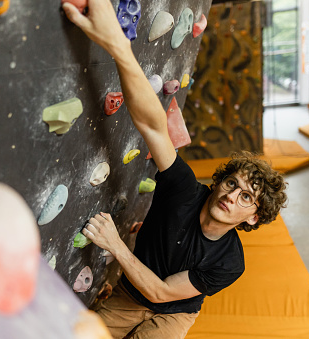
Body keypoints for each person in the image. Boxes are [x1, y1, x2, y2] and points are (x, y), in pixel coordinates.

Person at [62, 1, 288, 338]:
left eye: (246, 198)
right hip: (130, 294)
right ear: (218, 182)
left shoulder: (229, 262)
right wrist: (119, 46)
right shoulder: (183, 189)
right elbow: (153, 126)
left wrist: (115, 244)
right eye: (232, 183)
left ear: (254, 217)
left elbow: (163, 294)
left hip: (174, 312)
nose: (232, 196)